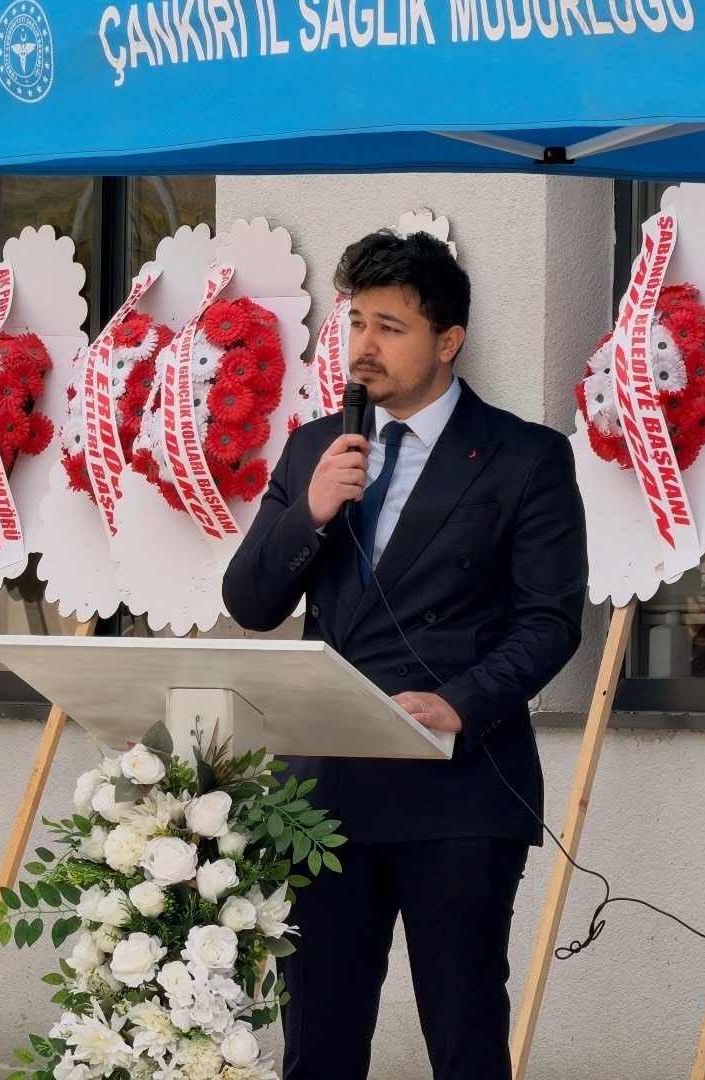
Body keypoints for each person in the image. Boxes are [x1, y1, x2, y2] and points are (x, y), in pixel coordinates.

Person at [222, 230, 588, 1080]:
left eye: (390, 327)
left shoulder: (525, 456)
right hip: (321, 800)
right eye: (357, 323)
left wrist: (461, 701)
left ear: (448, 340)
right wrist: (309, 512)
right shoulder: (317, 449)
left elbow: (549, 621)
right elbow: (250, 602)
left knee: (464, 1042)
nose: (364, 347)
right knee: (317, 1046)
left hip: (457, 791)